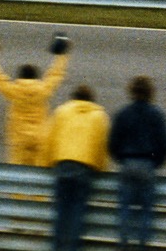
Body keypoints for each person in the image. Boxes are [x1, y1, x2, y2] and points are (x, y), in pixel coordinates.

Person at [109, 76, 166, 251]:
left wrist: (122, 159)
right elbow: (165, 144)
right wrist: (155, 162)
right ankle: (142, 246)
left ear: (132, 91)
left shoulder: (123, 113)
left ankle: (123, 246)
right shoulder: (157, 114)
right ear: (150, 92)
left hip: (128, 163)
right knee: (146, 212)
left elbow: (112, 142)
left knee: (124, 210)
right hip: (147, 164)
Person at [0, 39, 70, 166]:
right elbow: (56, 74)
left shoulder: (14, 90)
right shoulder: (43, 89)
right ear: (36, 77)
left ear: (19, 77)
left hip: (19, 140)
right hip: (41, 138)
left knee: (19, 175)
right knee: (40, 173)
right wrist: (62, 55)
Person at [45, 85, 110, 251]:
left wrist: (46, 163)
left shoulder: (62, 111)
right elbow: (101, 145)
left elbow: (50, 139)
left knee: (60, 213)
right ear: (91, 100)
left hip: (63, 166)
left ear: (73, 97)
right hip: (84, 169)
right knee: (77, 214)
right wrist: (101, 168)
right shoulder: (99, 116)